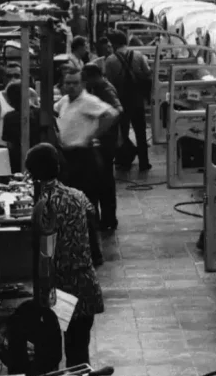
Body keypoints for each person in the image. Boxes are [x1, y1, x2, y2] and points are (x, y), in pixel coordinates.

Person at [25, 143, 104, 367]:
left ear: (32, 175)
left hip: (61, 291)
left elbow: (46, 251)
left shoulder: (43, 205)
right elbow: (92, 230)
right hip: (86, 285)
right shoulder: (79, 196)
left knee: (50, 355)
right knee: (79, 352)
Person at [55, 69, 119, 216]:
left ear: (82, 84)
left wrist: (92, 135)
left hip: (84, 154)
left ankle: (92, 230)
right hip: (67, 154)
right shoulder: (64, 101)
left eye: (75, 83)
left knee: (88, 197)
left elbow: (111, 114)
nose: (71, 86)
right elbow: (54, 110)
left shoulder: (88, 101)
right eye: (68, 83)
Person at [82, 63, 122, 232]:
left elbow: (117, 109)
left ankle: (108, 219)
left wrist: (98, 132)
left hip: (105, 143)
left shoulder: (104, 89)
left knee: (104, 182)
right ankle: (104, 218)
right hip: (104, 141)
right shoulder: (98, 87)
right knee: (100, 181)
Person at [104, 30, 152, 172]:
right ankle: (144, 163)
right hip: (137, 99)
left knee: (122, 132)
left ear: (113, 44)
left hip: (121, 100)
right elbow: (147, 73)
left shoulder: (110, 60)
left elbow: (110, 82)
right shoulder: (138, 55)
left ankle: (123, 161)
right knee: (141, 132)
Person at [0, 67, 38, 150]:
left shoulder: (32, 94)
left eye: (17, 76)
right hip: (2, 149)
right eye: (9, 76)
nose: (13, 79)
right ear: (3, 78)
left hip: (30, 148)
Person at [2, 80, 42, 173]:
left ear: (9, 100)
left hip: (18, 160)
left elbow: (9, 144)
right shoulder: (40, 113)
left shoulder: (9, 117)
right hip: (40, 156)